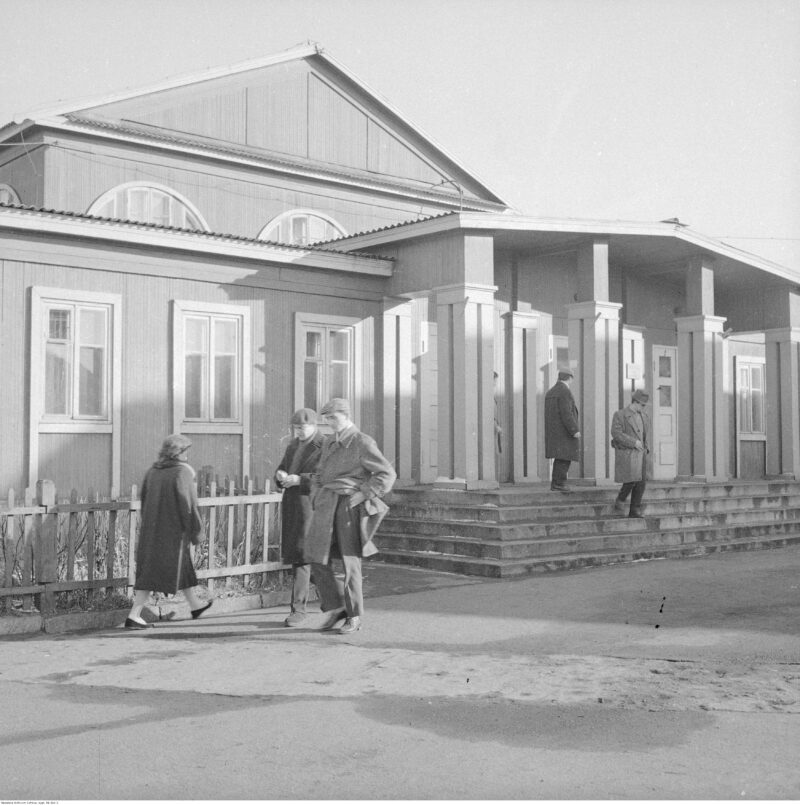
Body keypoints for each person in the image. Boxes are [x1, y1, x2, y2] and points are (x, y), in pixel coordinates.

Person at [304, 398, 396, 635]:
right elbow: (319, 473)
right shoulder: (328, 443)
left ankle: (354, 616)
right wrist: (315, 494)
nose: (330, 422)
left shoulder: (362, 441)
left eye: (333, 418)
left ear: (346, 416)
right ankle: (336, 609)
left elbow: (387, 474)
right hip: (326, 504)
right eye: (327, 419)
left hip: (348, 506)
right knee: (316, 557)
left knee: (349, 561)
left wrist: (364, 494)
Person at [125, 434, 212, 629]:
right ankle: (133, 614)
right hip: (173, 534)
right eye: (185, 450)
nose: (188, 454)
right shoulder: (183, 472)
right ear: (178, 453)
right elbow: (188, 505)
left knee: (170, 570)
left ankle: (195, 605)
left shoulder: (153, 472)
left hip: (153, 532)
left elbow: (144, 501)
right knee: (162, 572)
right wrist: (196, 532)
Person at [274, 408, 324, 627]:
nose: (299, 432)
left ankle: (299, 610)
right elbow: (283, 467)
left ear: (314, 425)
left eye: (303, 428)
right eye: (296, 428)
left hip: (311, 507)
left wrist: (300, 480)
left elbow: (325, 478)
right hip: (293, 506)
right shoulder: (293, 445)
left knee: (304, 557)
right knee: (301, 556)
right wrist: (280, 475)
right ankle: (334, 601)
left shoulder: (324, 445)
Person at [611, 389, 651, 518]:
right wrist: (634, 442)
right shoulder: (620, 414)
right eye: (642, 405)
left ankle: (635, 509)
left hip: (641, 453)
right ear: (635, 402)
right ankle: (621, 499)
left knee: (641, 483)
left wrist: (646, 447)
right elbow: (616, 434)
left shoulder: (644, 416)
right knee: (630, 480)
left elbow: (645, 435)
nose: (643, 408)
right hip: (628, 453)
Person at [544, 367, 581, 493]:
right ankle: (559, 484)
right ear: (570, 378)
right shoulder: (565, 391)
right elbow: (567, 413)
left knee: (560, 458)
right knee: (565, 458)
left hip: (554, 432)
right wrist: (574, 429)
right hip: (564, 432)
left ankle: (556, 483)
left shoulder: (551, 392)